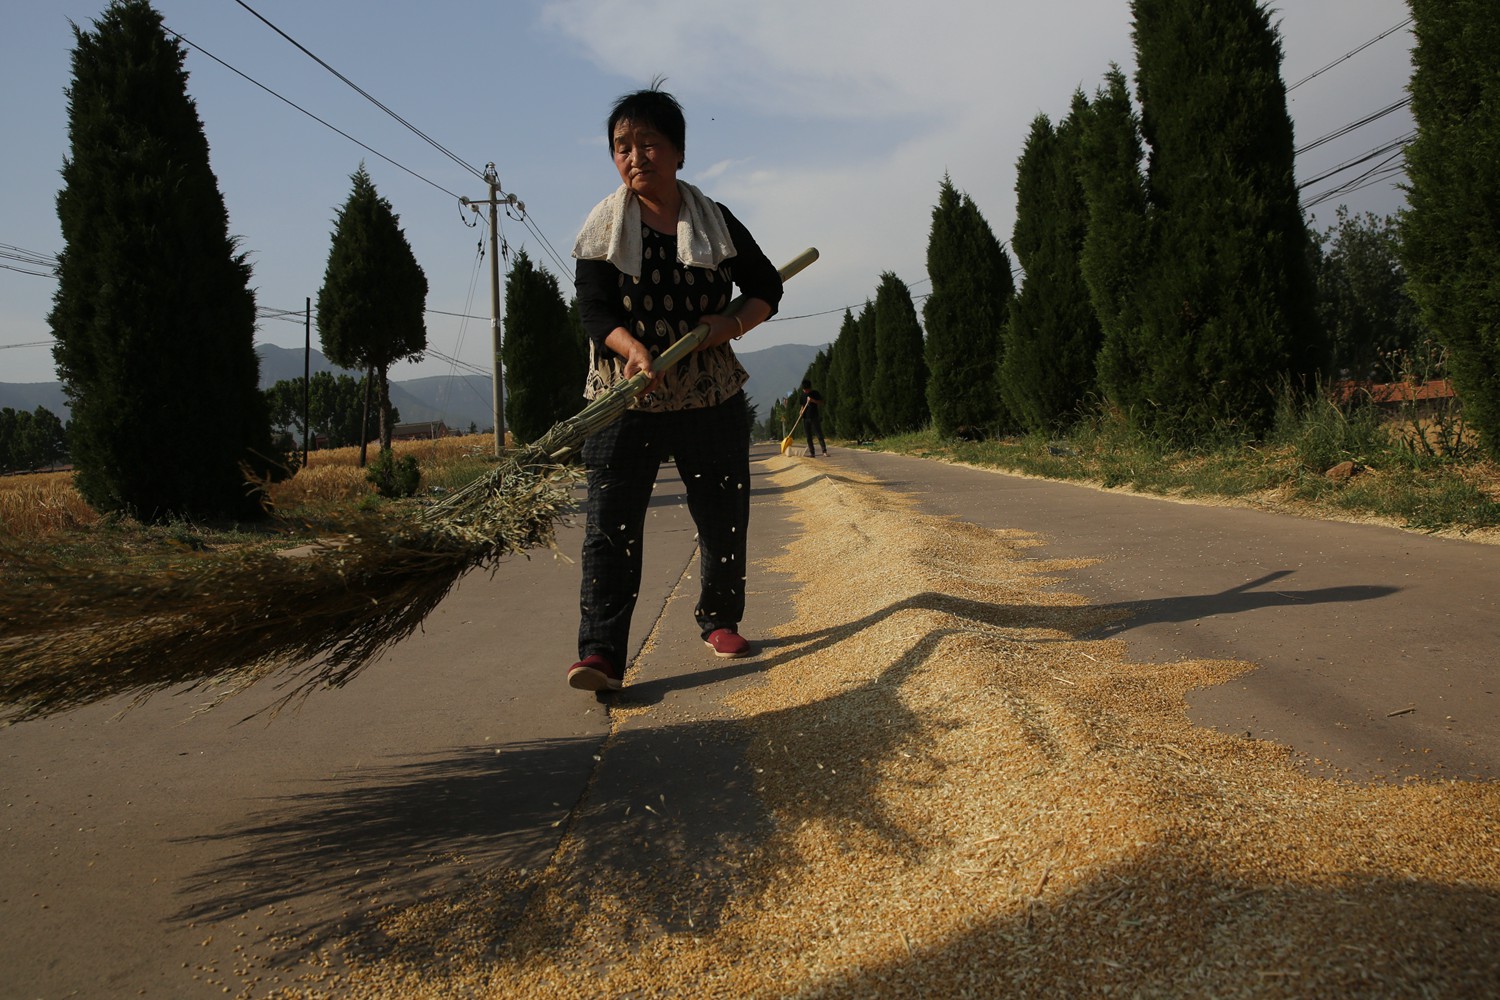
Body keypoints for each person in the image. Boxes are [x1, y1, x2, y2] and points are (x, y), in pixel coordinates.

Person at [567, 84, 784, 693]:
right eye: (622, 147)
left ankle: (719, 620)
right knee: (611, 525)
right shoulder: (602, 228)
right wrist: (631, 348)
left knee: (723, 517)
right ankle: (602, 653)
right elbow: (592, 309)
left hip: (708, 394)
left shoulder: (715, 220)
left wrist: (729, 324)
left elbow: (767, 286)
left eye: (649, 144)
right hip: (624, 398)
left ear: (679, 152)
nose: (635, 157)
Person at [799, 378, 827, 456]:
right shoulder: (802, 395)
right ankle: (812, 453)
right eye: (804, 390)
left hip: (814, 417)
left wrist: (813, 400)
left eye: (807, 390)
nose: (805, 391)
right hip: (805, 418)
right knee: (808, 437)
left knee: (819, 434)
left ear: (810, 388)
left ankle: (824, 451)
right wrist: (801, 411)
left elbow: (821, 402)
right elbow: (802, 405)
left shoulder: (815, 393)